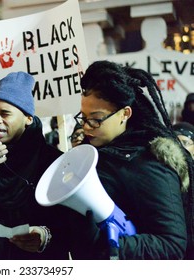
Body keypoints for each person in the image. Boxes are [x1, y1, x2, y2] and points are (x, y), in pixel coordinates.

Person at [71, 60, 192, 259]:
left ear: (125, 114)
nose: (86, 127)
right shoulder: (96, 152)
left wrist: (109, 244)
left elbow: (171, 245)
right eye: (83, 118)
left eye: (96, 118)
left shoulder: (148, 163)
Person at [0, 71, 72, 260]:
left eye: (5, 114)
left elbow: (72, 226)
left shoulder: (53, 160)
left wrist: (46, 237)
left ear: (28, 118)